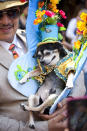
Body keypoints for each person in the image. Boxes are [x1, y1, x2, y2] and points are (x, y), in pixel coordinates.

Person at [0, 0, 68, 131]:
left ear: (19, 12)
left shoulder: (37, 38)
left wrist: (67, 99)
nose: (6, 21)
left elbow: (74, 68)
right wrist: (44, 128)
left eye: (12, 13)